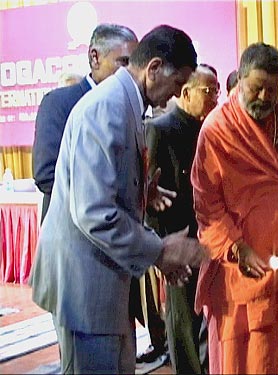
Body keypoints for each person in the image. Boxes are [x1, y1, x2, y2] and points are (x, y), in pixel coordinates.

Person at [29, 25, 207, 374]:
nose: (173, 98)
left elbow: (104, 186)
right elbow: (95, 212)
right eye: (175, 85)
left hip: (103, 282)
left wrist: (142, 191)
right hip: (84, 287)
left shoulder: (125, 103)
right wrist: (160, 250)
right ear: (153, 68)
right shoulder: (107, 108)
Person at [191, 42, 278, 374]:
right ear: (240, 79)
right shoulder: (217, 129)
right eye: (256, 88)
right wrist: (237, 247)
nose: (264, 98)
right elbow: (206, 204)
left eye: (272, 89)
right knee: (245, 361)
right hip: (242, 270)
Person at [146, 63, 219, 374]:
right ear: (186, 93)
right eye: (209, 91)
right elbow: (151, 193)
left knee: (209, 320)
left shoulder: (212, 129)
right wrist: (164, 246)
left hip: (213, 238)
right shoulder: (160, 129)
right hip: (179, 240)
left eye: (218, 91)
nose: (216, 98)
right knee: (184, 323)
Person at [32, 23, 139, 222]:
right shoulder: (59, 102)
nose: (130, 73)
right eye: (123, 63)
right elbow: (46, 175)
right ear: (94, 57)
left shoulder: (129, 108)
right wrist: (104, 196)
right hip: (71, 235)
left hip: (119, 234)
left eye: (134, 65)